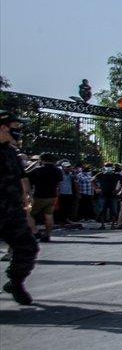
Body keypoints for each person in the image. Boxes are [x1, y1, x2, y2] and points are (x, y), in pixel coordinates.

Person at [0, 112, 38, 304]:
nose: (19, 131)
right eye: (15, 126)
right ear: (3, 127)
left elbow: (21, 181)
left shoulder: (11, 153)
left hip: (11, 211)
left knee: (28, 247)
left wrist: (27, 209)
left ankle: (16, 282)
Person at [25, 154, 63, 242]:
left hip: (39, 195)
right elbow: (59, 182)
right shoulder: (58, 170)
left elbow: (24, 175)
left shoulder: (37, 169)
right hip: (53, 195)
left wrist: (31, 165)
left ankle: (35, 232)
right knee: (49, 215)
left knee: (29, 215)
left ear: (41, 160)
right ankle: (47, 235)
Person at [94, 163, 121, 228]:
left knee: (114, 210)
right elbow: (92, 180)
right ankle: (102, 225)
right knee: (102, 210)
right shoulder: (100, 174)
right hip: (103, 195)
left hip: (113, 195)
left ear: (113, 167)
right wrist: (96, 188)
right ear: (104, 167)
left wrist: (118, 189)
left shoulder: (116, 175)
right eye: (107, 166)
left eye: (110, 166)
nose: (108, 168)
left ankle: (113, 225)